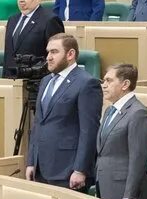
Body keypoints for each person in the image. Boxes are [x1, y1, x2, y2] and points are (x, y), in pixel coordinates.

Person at [26, 34, 101, 189]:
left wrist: (80, 169)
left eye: (54, 52)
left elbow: (89, 130)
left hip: (67, 170)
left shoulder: (87, 83)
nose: (48, 57)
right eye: (48, 52)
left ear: (70, 54)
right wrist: (31, 161)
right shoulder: (46, 81)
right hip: (41, 168)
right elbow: (39, 123)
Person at [94, 64, 147, 199]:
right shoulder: (109, 110)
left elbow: (138, 159)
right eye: (103, 81)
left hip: (125, 194)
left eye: (109, 81)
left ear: (125, 84)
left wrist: (129, 197)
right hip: (107, 187)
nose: (104, 85)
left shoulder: (138, 113)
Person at [2, 0, 63, 80]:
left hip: (36, 81)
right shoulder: (12, 20)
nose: (21, 0)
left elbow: (56, 54)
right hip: (11, 79)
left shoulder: (50, 20)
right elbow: (8, 54)